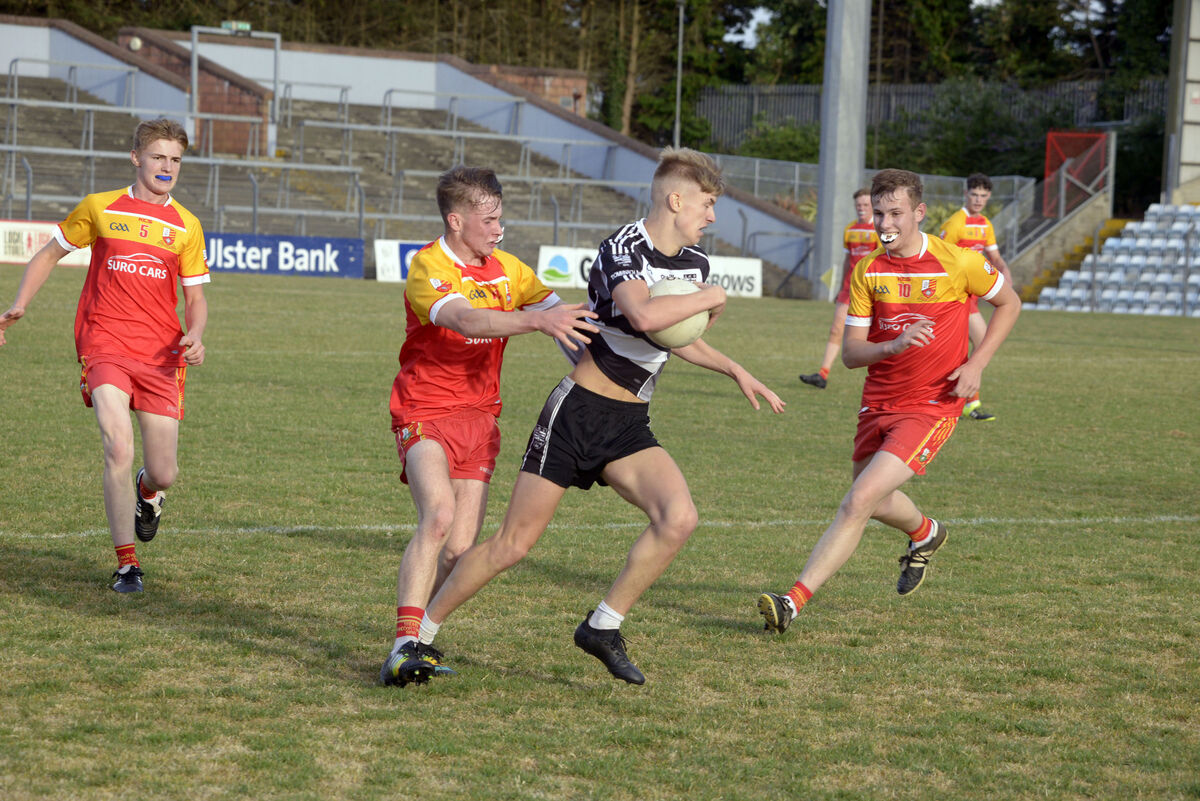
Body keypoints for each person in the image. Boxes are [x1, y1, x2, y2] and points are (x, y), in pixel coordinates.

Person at [393, 147, 786, 687]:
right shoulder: (623, 247)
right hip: (576, 415)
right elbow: (646, 313)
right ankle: (420, 638)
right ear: (677, 199)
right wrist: (713, 298)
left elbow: (668, 338)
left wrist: (734, 368)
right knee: (511, 545)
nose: (712, 216)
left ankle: (603, 625)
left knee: (679, 517)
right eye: (708, 203)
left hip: (629, 424)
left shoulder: (695, 264)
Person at [758, 168, 1020, 633]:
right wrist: (892, 347)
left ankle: (792, 601)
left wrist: (977, 364)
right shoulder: (869, 270)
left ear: (919, 212)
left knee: (858, 499)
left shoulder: (956, 262)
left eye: (895, 213)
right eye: (880, 212)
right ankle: (925, 532)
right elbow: (853, 355)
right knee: (875, 501)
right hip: (877, 402)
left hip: (932, 404)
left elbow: (1010, 302)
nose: (885, 223)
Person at [380, 166, 600, 686]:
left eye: (501, 217)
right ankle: (403, 645)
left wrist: (625, 321)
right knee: (437, 517)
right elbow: (465, 319)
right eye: (490, 218)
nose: (499, 228)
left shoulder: (509, 270)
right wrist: (537, 320)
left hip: (480, 420)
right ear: (457, 221)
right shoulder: (427, 265)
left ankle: (419, 642)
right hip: (425, 409)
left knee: (460, 552)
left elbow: (568, 322)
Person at [0, 118, 210, 593]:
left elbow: (195, 297)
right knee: (117, 444)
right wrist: (19, 304)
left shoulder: (187, 226)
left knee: (165, 472)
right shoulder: (100, 207)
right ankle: (127, 564)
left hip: (161, 355)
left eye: (175, 159)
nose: (167, 167)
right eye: (158, 156)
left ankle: (148, 491)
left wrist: (195, 334)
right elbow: (49, 254)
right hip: (104, 342)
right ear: (136, 158)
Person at [938, 173, 1013, 422]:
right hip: (954, 297)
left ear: (988, 197)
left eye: (983, 195)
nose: (978, 199)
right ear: (966, 194)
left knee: (980, 344)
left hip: (971, 297)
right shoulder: (955, 223)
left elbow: (994, 255)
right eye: (974, 194)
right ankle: (967, 402)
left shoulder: (985, 224)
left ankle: (965, 401)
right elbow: (939, 258)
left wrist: (1004, 270)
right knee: (979, 343)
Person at [800, 188, 880, 389]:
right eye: (858, 205)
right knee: (836, 329)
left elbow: (881, 262)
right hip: (849, 289)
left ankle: (885, 378)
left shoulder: (878, 230)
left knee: (878, 334)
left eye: (865, 205)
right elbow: (847, 259)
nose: (861, 209)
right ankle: (822, 374)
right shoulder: (850, 229)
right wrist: (840, 287)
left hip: (871, 291)